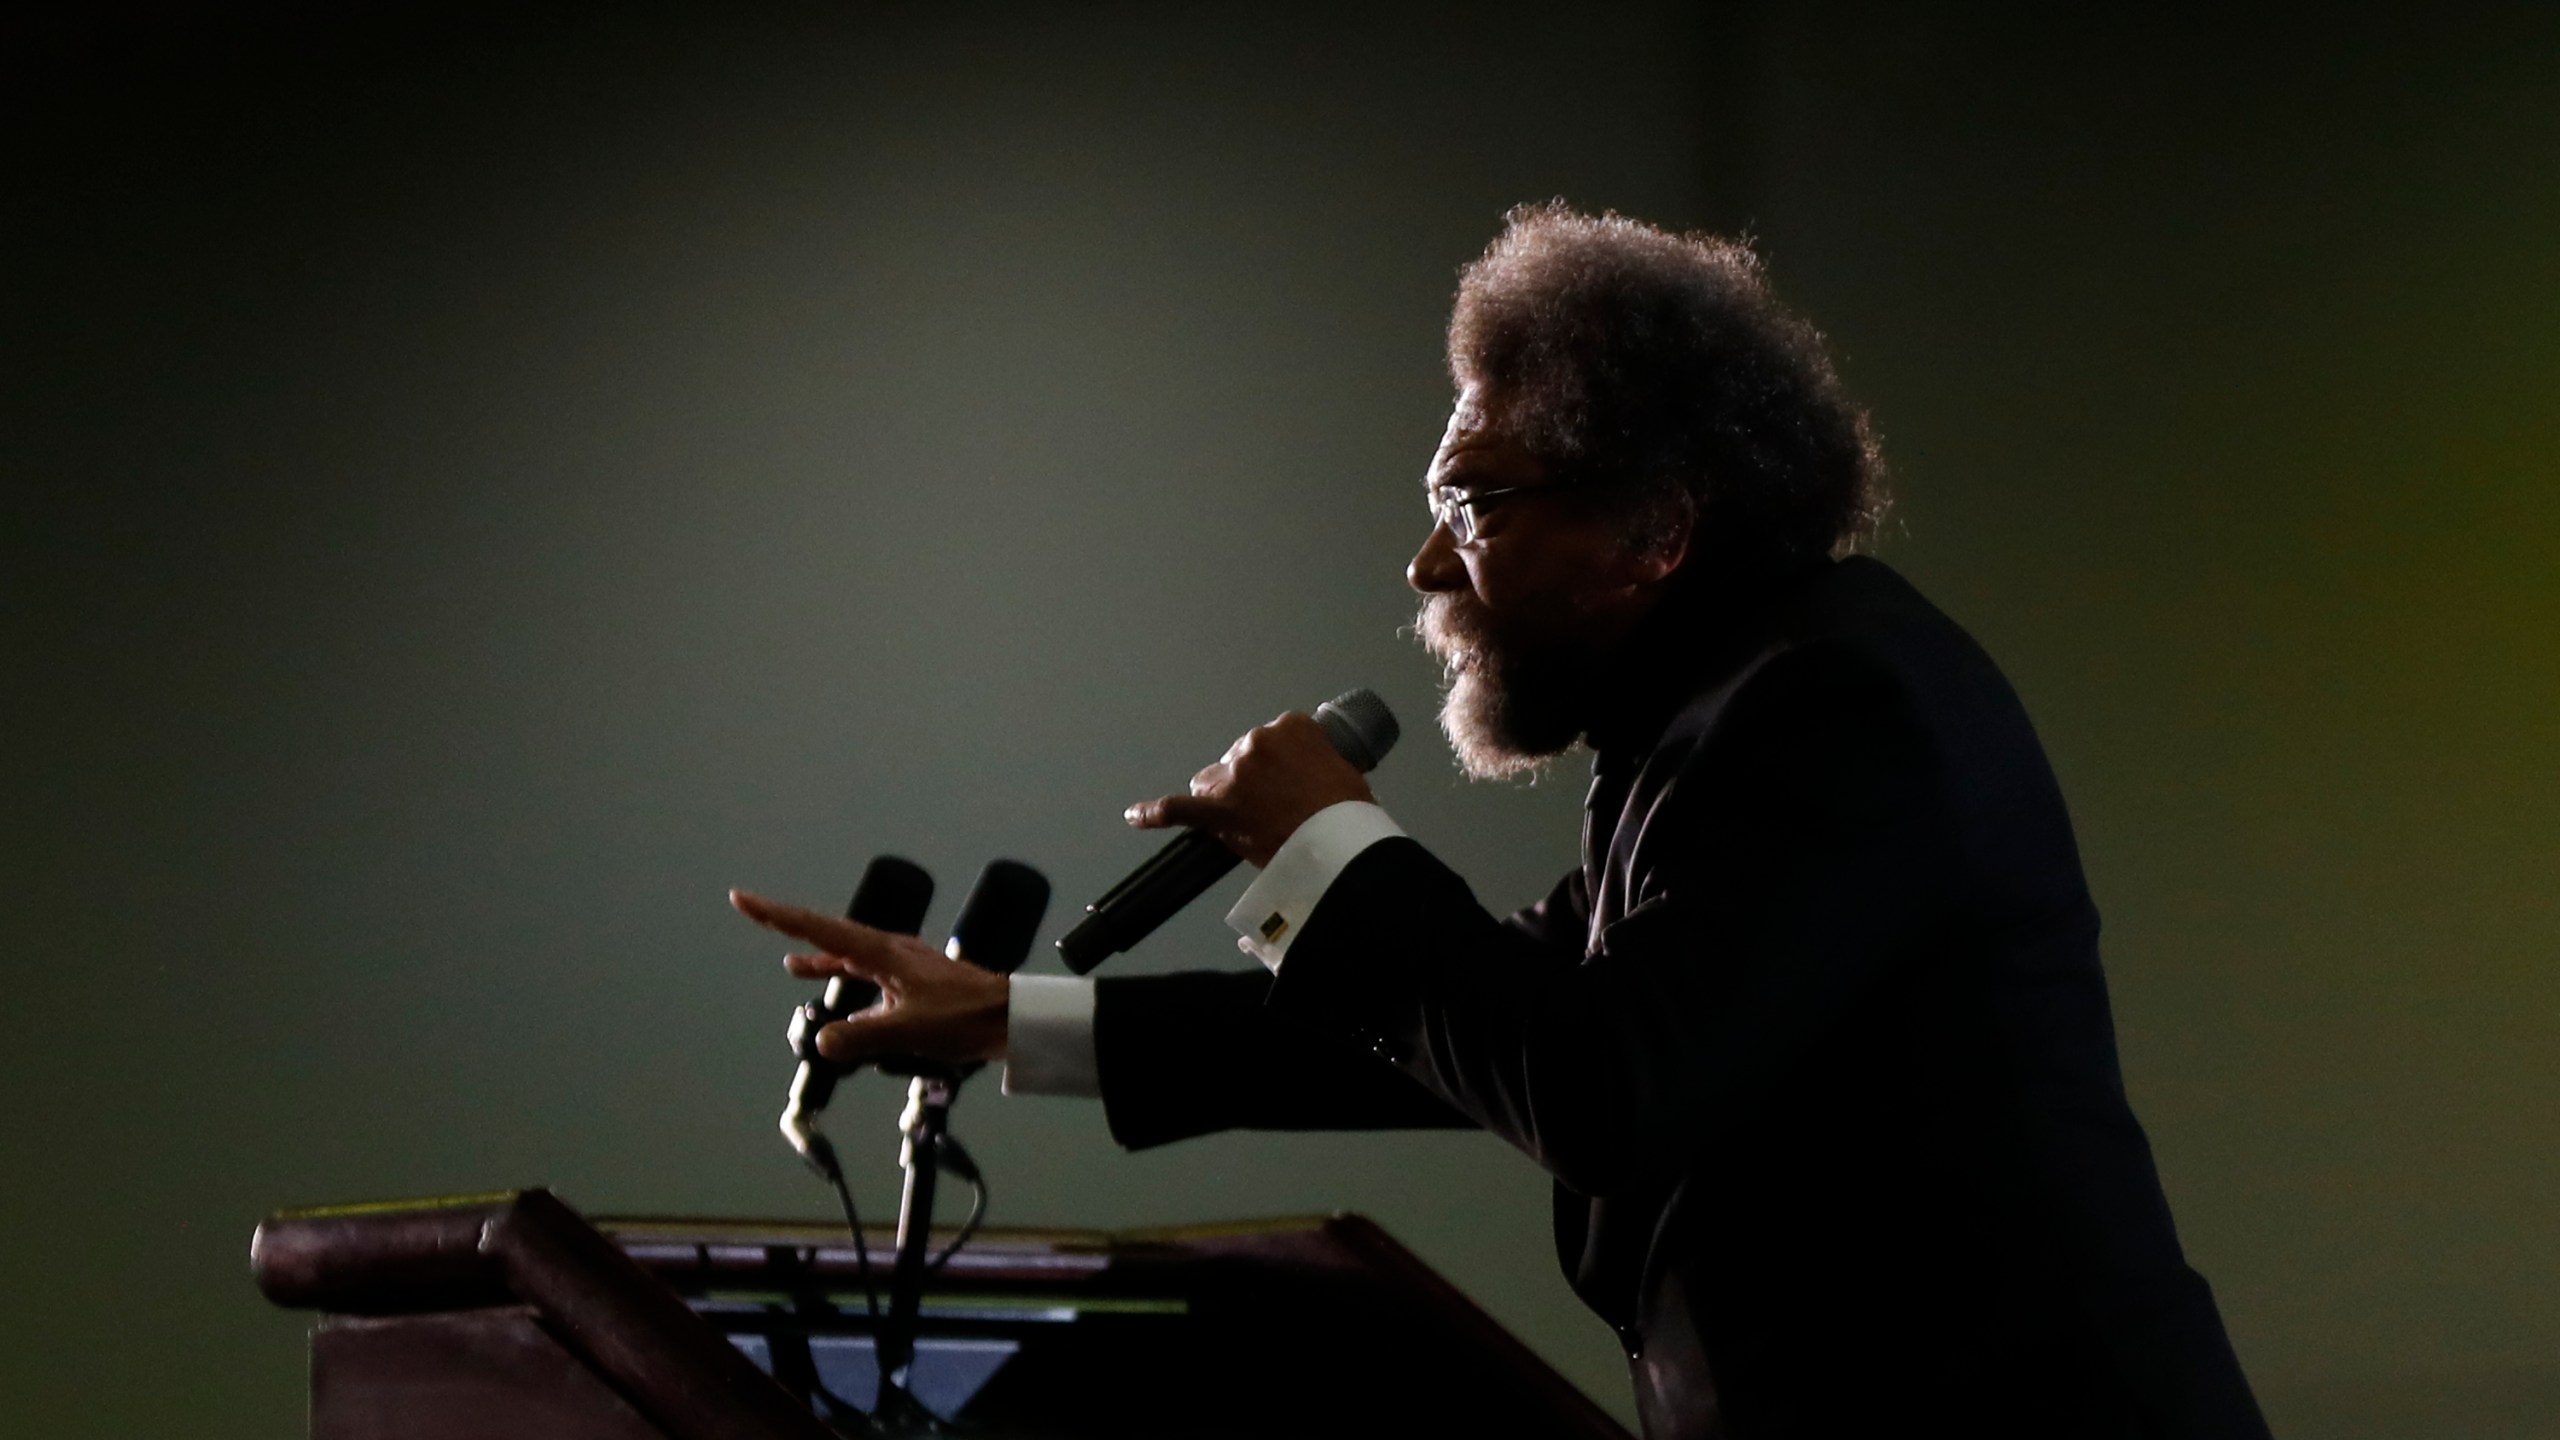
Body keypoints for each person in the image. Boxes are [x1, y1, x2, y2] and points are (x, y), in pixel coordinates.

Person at [732, 202, 2270, 1439]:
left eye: (1475, 505)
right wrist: (1014, 1020)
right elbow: (1458, 1029)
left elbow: (1603, 1084)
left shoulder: (1837, 708)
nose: (1426, 567)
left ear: (1656, 531)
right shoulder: (1717, 725)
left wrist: (1334, 843)